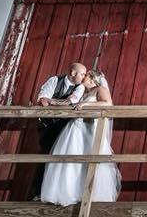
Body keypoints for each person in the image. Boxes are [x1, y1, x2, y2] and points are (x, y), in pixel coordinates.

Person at [40, 69, 121, 206]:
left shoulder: (99, 89)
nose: (82, 76)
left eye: (85, 74)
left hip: (90, 128)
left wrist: (85, 104)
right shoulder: (83, 92)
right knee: (70, 158)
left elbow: (107, 103)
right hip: (75, 128)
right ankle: (68, 193)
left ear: (91, 78)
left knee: (89, 158)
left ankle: (91, 195)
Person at [27, 62, 87, 200]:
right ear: (73, 73)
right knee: (45, 157)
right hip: (47, 126)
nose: (83, 77)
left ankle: (58, 195)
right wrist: (57, 102)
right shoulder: (54, 80)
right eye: (82, 74)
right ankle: (36, 194)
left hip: (65, 128)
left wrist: (52, 101)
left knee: (61, 160)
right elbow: (42, 101)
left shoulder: (80, 87)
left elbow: (72, 101)